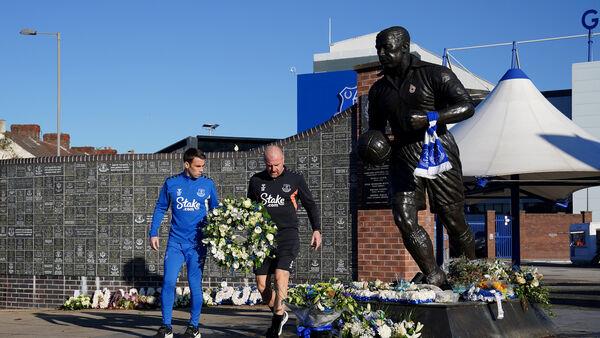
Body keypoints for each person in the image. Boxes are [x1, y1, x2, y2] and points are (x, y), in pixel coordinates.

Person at [366, 26, 476, 286]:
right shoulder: (379, 90)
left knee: (453, 219)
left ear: (404, 47)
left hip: (438, 149)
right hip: (403, 155)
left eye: (387, 48)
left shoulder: (435, 74)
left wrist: (431, 117)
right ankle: (434, 274)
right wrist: (371, 145)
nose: (382, 54)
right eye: (378, 49)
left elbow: (467, 106)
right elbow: (376, 128)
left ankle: (472, 273)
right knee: (403, 217)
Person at [247, 145, 322, 337]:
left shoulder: (295, 179)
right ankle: (280, 313)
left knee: (281, 275)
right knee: (262, 286)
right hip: (262, 238)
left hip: (287, 235)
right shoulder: (255, 181)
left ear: (283, 160)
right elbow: (249, 209)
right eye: (269, 165)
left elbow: (310, 204)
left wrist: (316, 230)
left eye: (277, 165)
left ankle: (276, 320)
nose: (273, 169)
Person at [149, 148, 219, 338]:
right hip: (175, 243)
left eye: (203, 166)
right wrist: (153, 232)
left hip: (197, 245)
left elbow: (216, 212)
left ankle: (193, 327)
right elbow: (161, 207)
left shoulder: (208, 184)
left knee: (194, 284)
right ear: (186, 165)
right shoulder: (171, 183)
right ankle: (166, 327)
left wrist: (218, 237)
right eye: (197, 166)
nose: (201, 169)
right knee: (169, 282)